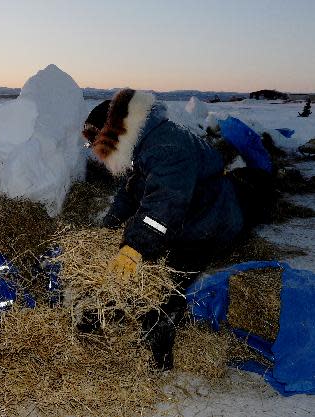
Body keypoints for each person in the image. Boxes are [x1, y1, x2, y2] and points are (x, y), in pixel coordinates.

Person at [82, 88, 248, 369]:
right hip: (186, 215)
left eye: (94, 142)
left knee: (170, 284)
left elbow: (162, 208)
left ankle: (159, 358)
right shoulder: (142, 142)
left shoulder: (166, 148)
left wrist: (134, 247)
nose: (95, 151)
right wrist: (107, 227)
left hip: (206, 221)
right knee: (156, 270)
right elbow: (130, 192)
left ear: (110, 132)